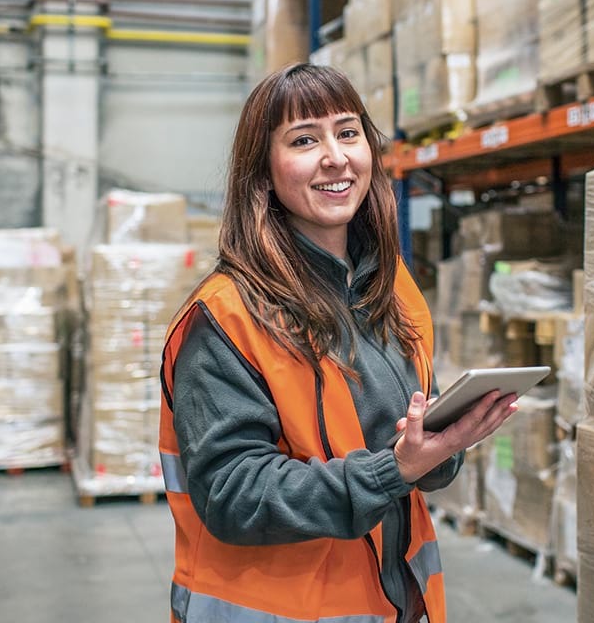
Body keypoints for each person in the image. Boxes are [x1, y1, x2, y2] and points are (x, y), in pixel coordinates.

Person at [158, 64, 518, 623]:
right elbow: (232, 494)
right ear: (263, 171)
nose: (335, 156)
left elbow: (413, 445)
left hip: (394, 605)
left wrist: (446, 444)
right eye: (304, 140)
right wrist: (392, 470)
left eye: (348, 133)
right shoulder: (226, 316)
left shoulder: (391, 286)